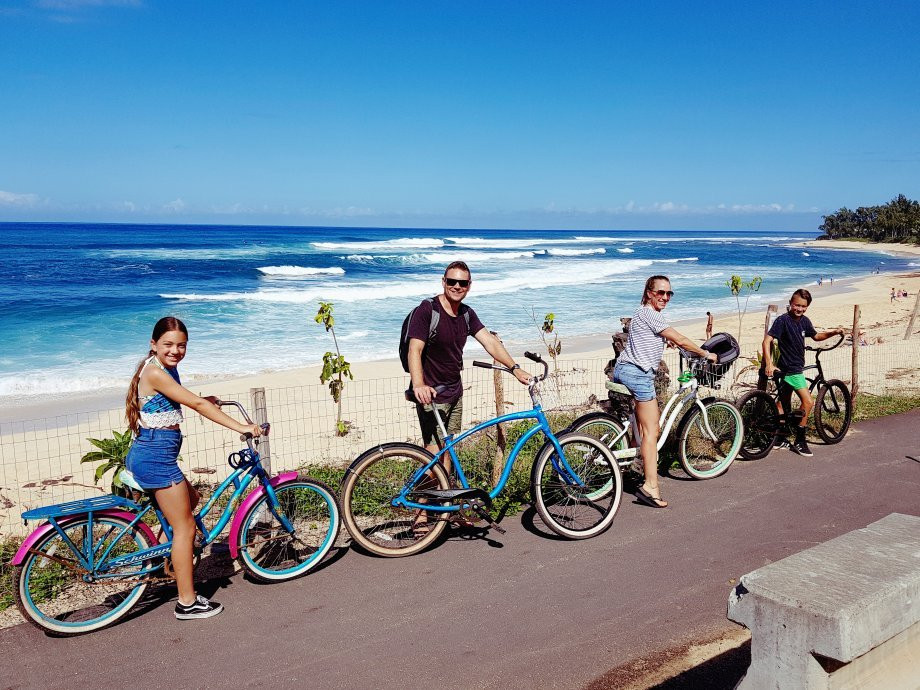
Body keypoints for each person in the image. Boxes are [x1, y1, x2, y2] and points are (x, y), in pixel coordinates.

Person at [125, 316, 262, 620]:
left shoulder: (164, 369)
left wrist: (205, 399)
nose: (175, 350)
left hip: (153, 453)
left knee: (193, 501)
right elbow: (195, 406)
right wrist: (242, 426)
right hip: (155, 458)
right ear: (153, 345)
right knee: (185, 528)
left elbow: (179, 399)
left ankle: (165, 562)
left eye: (181, 345)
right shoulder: (155, 372)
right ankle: (187, 602)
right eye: (168, 344)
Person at [612, 275, 717, 508]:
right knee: (653, 431)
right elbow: (680, 338)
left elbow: (648, 336)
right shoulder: (651, 314)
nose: (665, 297)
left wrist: (664, 341)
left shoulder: (643, 313)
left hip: (624, 369)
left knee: (641, 424)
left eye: (669, 293)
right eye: (660, 293)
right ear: (649, 293)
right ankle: (651, 486)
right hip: (638, 375)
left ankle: (631, 465)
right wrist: (704, 353)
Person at [407, 261, 530, 460]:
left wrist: (515, 368)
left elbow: (490, 342)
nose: (457, 286)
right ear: (443, 281)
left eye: (462, 283)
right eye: (452, 281)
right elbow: (414, 348)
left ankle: (444, 490)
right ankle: (419, 492)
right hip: (431, 393)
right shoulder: (428, 310)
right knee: (433, 458)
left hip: (455, 391)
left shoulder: (466, 314)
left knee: (447, 452)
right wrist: (418, 384)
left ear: (469, 286)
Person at [761, 290, 845, 457]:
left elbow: (816, 336)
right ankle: (800, 440)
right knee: (808, 402)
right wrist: (769, 363)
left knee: (782, 404)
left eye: (803, 306)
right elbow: (767, 340)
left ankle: (779, 437)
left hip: (791, 368)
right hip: (791, 370)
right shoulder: (783, 320)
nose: (799, 309)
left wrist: (833, 332)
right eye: (797, 305)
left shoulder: (804, 321)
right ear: (791, 303)